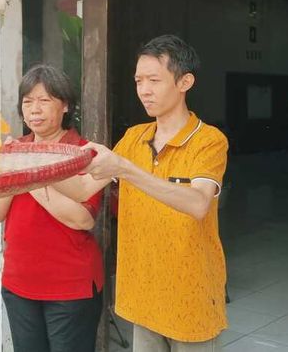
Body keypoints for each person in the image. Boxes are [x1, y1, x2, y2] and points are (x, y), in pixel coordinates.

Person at [53, 34, 229, 351]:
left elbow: (198, 203)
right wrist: (31, 174)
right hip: (143, 296)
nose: (144, 90)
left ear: (185, 81)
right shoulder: (134, 138)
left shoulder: (209, 140)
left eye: (154, 80)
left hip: (191, 297)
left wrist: (125, 169)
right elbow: (81, 188)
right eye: (138, 81)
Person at [0, 64, 103, 352]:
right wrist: (14, 163)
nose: (34, 109)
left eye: (44, 100)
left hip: (71, 287)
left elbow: (82, 219)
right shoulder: (12, 151)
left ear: (66, 106)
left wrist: (28, 173)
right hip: (20, 283)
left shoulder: (84, 153)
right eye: (27, 102)